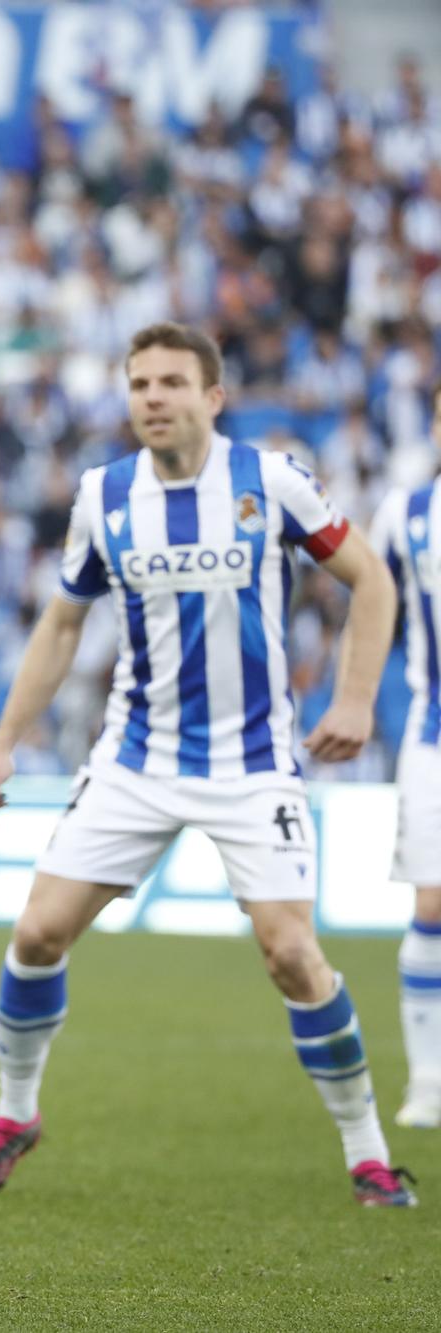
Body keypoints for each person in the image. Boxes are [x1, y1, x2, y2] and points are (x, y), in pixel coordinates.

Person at [0, 322, 414, 1207]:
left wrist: (356, 701)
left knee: (290, 952)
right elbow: (61, 623)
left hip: (253, 763)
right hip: (136, 757)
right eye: (139, 384)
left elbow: (374, 579)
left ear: (213, 396)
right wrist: (4, 739)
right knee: (37, 934)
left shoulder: (269, 480)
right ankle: (16, 1113)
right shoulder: (104, 493)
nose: (153, 398)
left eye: (171, 382)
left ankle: (367, 1151)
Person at [373, 388, 441, 1130]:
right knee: (432, 901)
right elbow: (370, 600)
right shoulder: (407, 513)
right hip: (434, 732)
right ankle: (428, 1079)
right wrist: (357, 698)